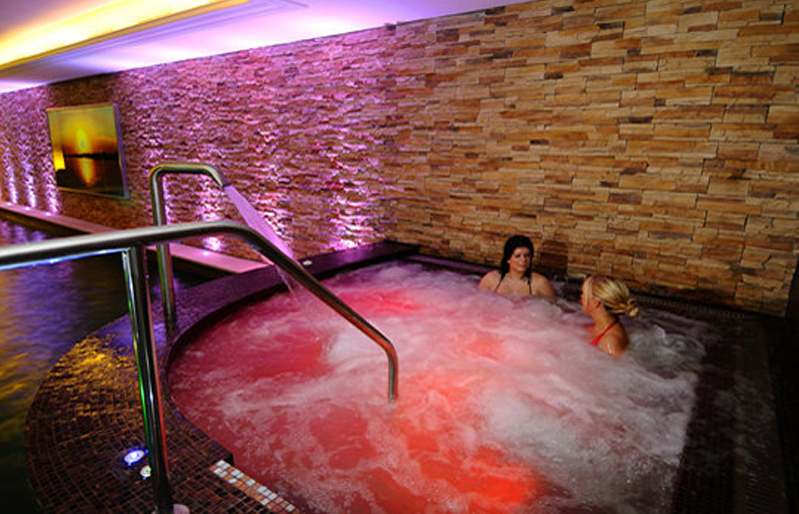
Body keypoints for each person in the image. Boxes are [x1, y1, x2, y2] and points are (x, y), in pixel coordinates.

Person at [478, 235, 556, 298]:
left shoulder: (540, 284)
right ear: (508, 259)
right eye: (518, 256)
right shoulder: (491, 280)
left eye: (527, 256)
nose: (523, 260)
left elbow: (555, 309)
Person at [581, 275, 640, 357]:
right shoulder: (603, 327)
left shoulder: (610, 343)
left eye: (583, 293)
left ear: (595, 302)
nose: (581, 297)